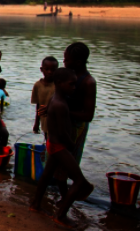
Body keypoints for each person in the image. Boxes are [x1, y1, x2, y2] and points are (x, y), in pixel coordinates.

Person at [30, 68, 94, 228]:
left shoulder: (54, 99)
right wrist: (72, 146)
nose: (74, 88)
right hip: (59, 146)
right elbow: (64, 132)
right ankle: (60, 215)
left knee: (47, 174)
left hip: (52, 143)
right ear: (59, 83)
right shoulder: (61, 104)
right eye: (71, 85)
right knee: (79, 181)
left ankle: (36, 203)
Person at [31, 56, 58, 138]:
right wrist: (36, 123)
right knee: (47, 141)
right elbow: (38, 105)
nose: (50, 72)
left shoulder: (58, 85)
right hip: (45, 121)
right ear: (42, 69)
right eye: (47, 69)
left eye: (53, 70)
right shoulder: (37, 85)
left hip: (57, 122)